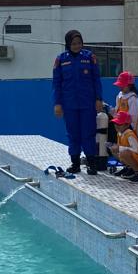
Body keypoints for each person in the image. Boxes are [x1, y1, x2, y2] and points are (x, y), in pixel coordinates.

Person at [52, 29, 103, 175]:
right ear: (68, 44)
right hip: (69, 104)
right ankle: (75, 164)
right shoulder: (61, 59)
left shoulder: (89, 57)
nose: (77, 46)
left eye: (79, 43)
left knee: (88, 133)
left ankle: (91, 164)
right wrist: (57, 103)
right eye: (73, 43)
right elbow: (57, 83)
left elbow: (96, 79)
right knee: (73, 134)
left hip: (87, 103)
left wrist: (98, 99)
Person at [110, 111, 138, 179]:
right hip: (135, 158)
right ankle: (129, 168)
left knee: (124, 153)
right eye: (116, 123)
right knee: (114, 150)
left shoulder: (129, 135)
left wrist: (120, 148)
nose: (116, 126)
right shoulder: (120, 133)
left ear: (127, 125)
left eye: (120, 124)